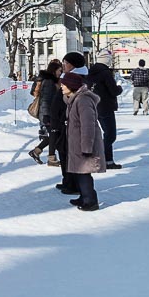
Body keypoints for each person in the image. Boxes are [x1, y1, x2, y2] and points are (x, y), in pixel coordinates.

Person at [60, 71, 105, 211]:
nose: (61, 86)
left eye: (64, 84)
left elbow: (88, 125)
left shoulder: (83, 100)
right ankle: (84, 196)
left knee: (84, 172)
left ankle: (90, 200)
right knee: (78, 172)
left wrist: (87, 147)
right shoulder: (73, 99)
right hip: (77, 142)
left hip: (84, 143)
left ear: (71, 85)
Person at [50, 52, 89, 195]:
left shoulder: (76, 78)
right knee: (64, 152)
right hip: (63, 120)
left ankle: (72, 183)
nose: (63, 65)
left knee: (68, 153)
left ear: (72, 65)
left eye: (65, 63)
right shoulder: (72, 77)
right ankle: (68, 180)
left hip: (68, 121)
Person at [87, 52, 123, 169]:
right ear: (106, 60)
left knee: (106, 133)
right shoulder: (106, 73)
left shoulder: (91, 72)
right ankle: (99, 156)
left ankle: (108, 161)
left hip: (94, 106)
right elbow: (114, 91)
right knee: (110, 135)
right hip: (106, 106)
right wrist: (119, 87)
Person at [28, 60, 62, 166]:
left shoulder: (51, 81)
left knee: (53, 135)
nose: (60, 73)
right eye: (59, 70)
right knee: (53, 134)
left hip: (48, 112)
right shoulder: (49, 82)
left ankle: (36, 151)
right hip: (47, 113)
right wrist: (47, 115)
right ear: (54, 70)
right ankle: (51, 159)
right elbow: (46, 100)